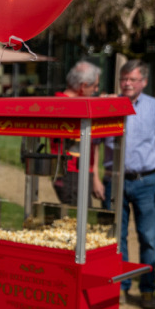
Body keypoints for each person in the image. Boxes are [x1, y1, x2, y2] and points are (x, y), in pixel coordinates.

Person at [95, 60, 155, 309]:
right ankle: (121, 286)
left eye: (132, 79)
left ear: (144, 81)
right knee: (116, 237)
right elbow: (94, 143)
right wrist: (94, 177)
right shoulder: (108, 106)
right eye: (123, 79)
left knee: (148, 237)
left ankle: (147, 289)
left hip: (145, 182)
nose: (127, 83)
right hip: (114, 180)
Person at [50, 60, 104, 205]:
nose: (96, 90)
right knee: (78, 214)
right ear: (83, 86)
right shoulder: (66, 106)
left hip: (80, 170)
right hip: (71, 172)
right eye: (95, 86)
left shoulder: (77, 104)